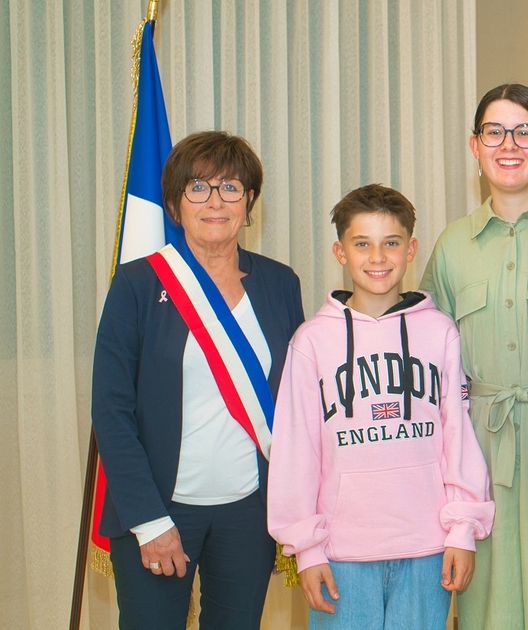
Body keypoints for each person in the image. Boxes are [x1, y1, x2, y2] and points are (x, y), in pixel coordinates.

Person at [91, 131, 306, 629]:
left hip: (249, 513)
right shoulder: (138, 285)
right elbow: (112, 411)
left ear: (249, 201)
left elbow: (298, 399)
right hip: (159, 511)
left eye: (230, 187)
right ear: (174, 202)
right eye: (198, 188)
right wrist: (148, 521)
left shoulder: (280, 283)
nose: (215, 201)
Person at [267, 184, 495, 630]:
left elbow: (458, 438)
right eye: (362, 244)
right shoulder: (312, 342)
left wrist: (463, 528)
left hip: (427, 548)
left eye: (391, 243)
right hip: (340, 553)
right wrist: (307, 548)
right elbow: (295, 451)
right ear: (340, 251)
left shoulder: (440, 333)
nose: (377, 257)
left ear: (411, 250)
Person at [420, 84, 528, 629]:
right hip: (478, 453)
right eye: (495, 132)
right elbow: (430, 365)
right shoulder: (451, 245)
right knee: (484, 609)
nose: (509, 144)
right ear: (475, 146)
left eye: (525, 132)